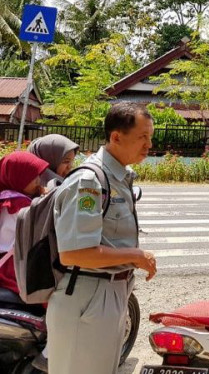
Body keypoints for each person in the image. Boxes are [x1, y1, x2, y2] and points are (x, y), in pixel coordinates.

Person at [46, 102, 158, 374]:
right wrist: (135, 256)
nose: (149, 145)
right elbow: (74, 253)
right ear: (116, 136)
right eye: (143, 137)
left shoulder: (118, 177)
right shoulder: (89, 182)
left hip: (110, 293)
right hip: (87, 295)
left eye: (150, 137)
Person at [0, 152, 49, 294]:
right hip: (13, 269)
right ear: (19, 177)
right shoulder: (19, 203)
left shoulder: (7, 196)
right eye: (33, 177)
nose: (39, 181)